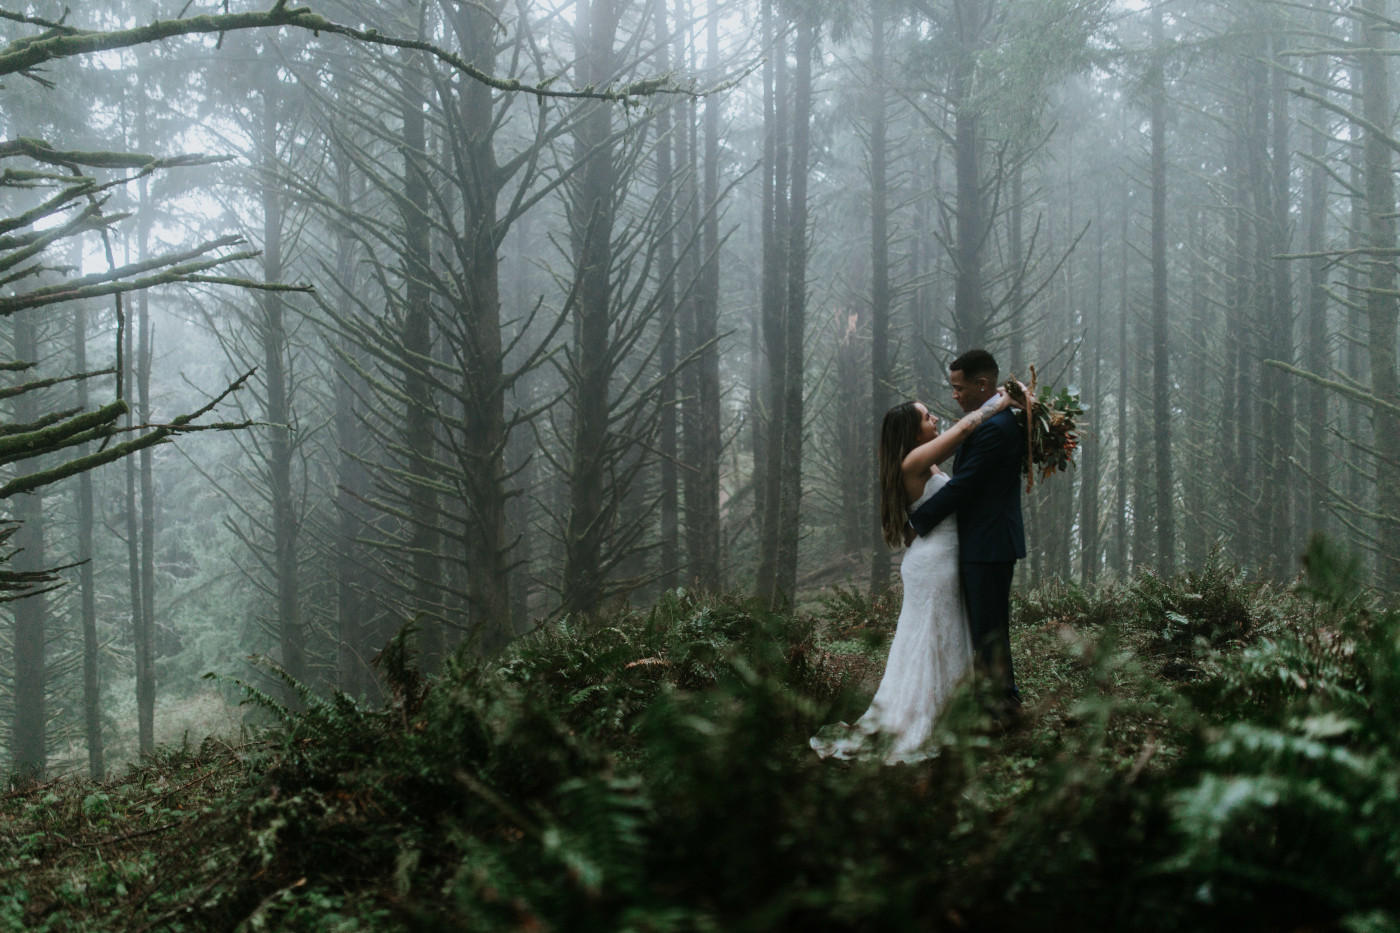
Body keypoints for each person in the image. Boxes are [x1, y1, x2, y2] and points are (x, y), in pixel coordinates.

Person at [810, 376, 1020, 762]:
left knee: (938, 636)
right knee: (932, 638)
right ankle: (931, 718)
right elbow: (961, 429)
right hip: (935, 562)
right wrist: (1001, 402)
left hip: (936, 557)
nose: (935, 418)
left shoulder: (921, 462)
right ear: (911, 430)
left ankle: (948, 713)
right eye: (927, 417)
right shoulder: (914, 461)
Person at [908, 349, 1027, 718]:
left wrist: (918, 520)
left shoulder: (994, 427)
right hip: (987, 541)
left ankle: (1002, 708)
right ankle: (996, 702)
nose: (955, 395)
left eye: (959, 388)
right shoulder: (996, 421)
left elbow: (966, 486)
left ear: (983, 384)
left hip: (989, 543)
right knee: (987, 627)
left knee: (989, 630)